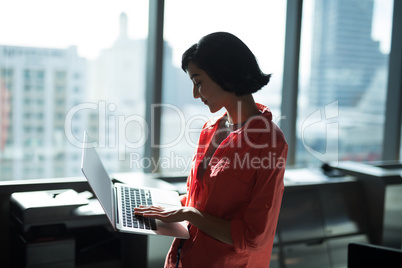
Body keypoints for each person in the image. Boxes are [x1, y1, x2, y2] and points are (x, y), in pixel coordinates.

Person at [135, 32, 288, 268]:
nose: (196, 94)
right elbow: (200, 200)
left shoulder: (269, 142)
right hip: (183, 258)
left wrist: (189, 214)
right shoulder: (210, 129)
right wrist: (167, 206)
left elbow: (254, 237)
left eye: (198, 82)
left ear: (224, 75)